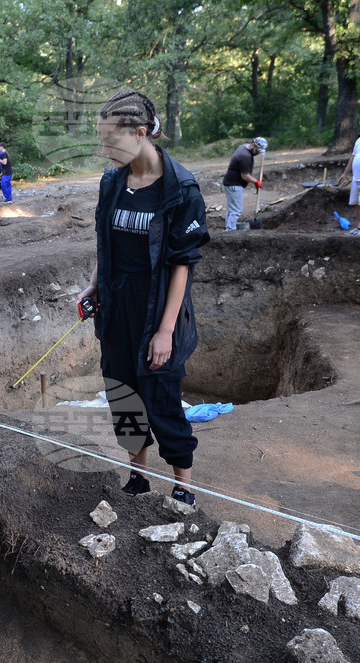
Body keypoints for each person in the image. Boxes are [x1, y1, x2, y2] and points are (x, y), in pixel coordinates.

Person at [78, 89, 209, 507]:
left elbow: (181, 265)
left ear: (139, 133)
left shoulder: (181, 189)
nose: (105, 149)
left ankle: (183, 485)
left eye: (110, 140)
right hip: (118, 305)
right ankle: (138, 477)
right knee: (123, 392)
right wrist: (95, 284)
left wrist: (165, 331)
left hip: (158, 309)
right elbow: (106, 240)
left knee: (161, 395)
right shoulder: (112, 181)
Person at [221, 137, 266, 231]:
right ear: (253, 145)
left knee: (231, 209)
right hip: (234, 185)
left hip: (229, 183)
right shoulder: (245, 156)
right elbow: (244, 176)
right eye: (257, 150)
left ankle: (228, 230)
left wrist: (254, 181)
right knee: (236, 210)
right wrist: (256, 181)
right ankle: (230, 232)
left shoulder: (244, 147)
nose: (258, 153)